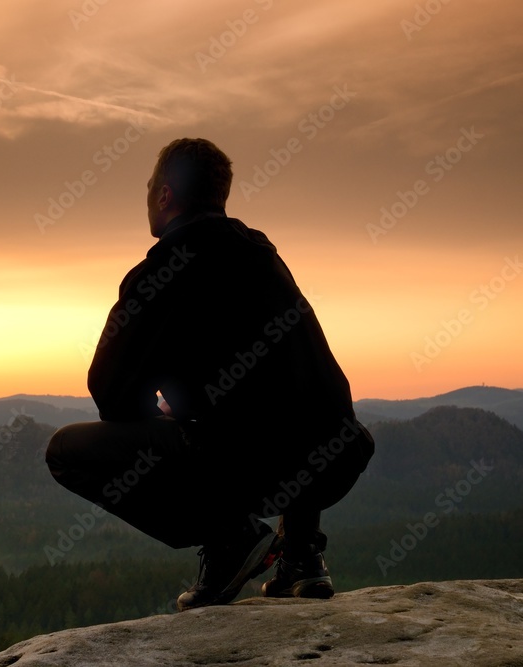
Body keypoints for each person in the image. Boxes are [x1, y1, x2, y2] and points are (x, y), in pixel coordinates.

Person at [45, 138, 374, 610]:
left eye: (149, 188)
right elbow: (299, 380)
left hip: (248, 466)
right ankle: (301, 556)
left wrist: (168, 414)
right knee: (292, 407)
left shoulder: (159, 275)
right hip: (338, 456)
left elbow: (110, 393)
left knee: (65, 451)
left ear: (164, 196)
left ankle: (231, 538)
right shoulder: (263, 256)